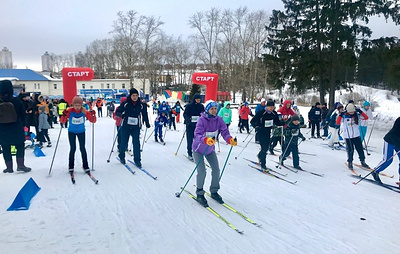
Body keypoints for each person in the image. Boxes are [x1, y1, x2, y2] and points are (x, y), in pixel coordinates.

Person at [193, 100, 237, 207]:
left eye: (215, 108)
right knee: (202, 171)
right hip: (198, 149)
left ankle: (214, 191)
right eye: (211, 109)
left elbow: (225, 132)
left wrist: (230, 139)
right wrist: (205, 140)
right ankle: (199, 193)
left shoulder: (219, 120)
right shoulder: (202, 120)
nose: (214, 111)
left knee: (216, 169)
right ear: (207, 109)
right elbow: (197, 134)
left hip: (209, 149)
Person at [0, 80, 31, 173]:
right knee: (20, 146)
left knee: (5, 148)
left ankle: (9, 167)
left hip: (2, 129)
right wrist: (23, 124)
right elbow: (23, 114)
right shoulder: (16, 100)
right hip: (16, 127)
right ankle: (20, 165)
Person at [60, 96, 97, 172]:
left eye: (79, 105)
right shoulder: (70, 111)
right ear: (73, 105)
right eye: (75, 105)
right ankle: (71, 166)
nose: (77, 107)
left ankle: (85, 165)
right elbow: (62, 121)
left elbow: (93, 121)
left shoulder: (84, 111)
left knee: (82, 148)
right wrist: (64, 115)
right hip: (71, 132)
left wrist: (93, 115)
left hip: (81, 132)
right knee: (72, 148)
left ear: (81, 105)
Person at [116, 88, 150, 167]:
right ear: (130, 96)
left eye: (136, 95)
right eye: (133, 95)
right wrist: (120, 115)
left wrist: (147, 123)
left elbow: (144, 114)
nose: (135, 97)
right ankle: (121, 156)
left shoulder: (141, 105)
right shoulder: (126, 103)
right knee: (124, 143)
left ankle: (137, 160)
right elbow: (118, 111)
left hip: (135, 127)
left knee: (136, 143)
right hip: (126, 126)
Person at [336, 103, 370, 169]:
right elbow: (337, 122)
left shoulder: (357, 115)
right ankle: (350, 162)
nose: (351, 113)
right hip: (348, 136)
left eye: (352, 111)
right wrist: (340, 115)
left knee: (360, 149)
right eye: (350, 112)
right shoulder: (344, 116)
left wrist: (360, 111)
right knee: (350, 150)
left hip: (356, 135)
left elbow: (366, 117)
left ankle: (363, 161)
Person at [250, 100, 282, 169]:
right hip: (260, 132)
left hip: (268, 132)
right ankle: (263, 164)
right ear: (267, 106)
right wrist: (256, 127)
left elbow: (277, 122)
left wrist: (285, 123)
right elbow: (252, 121)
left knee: (266, 147)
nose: (271, 108)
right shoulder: (261, 113)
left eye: (273, 107)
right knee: (264, 148)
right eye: (270, 107)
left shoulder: (274, 113)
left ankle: (259, 155)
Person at [371, 117, 400, 183]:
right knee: (388, 160)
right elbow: (394, 133)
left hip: (398, 142)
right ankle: (375, 171)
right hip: (390, 140)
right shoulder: (399, 120)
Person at [183, 93, 204, 161]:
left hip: (198, 126)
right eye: (197, 99)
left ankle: (197, 152)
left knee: (198, 139)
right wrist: (188, 119)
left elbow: (203, 113)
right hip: (190, 125)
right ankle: (189, 153)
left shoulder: (201, 106)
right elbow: (185, 114)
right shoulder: (189, 106)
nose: (198, 101)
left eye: (199, 100)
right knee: (190, 139)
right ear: (194, 99)